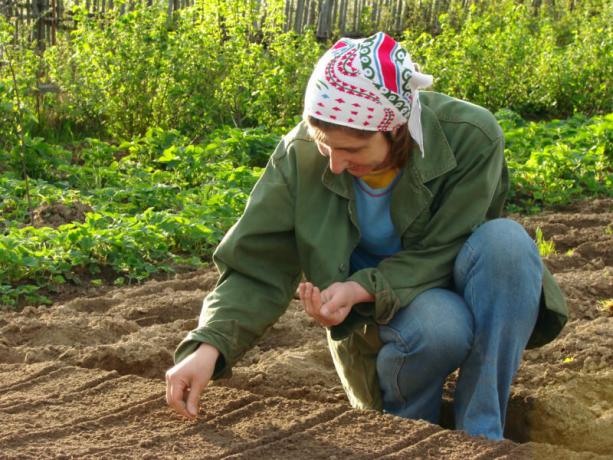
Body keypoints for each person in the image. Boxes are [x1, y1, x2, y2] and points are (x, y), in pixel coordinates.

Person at [165, 32, 567, 440]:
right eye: (326, 146)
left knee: (508, 245)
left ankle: (481, 435)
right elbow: (257, 264)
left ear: (395, 129)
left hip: (447, 279)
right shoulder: (299, 155)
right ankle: (408, 434)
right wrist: (208, 347)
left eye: (352, 150)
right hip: (387, 321)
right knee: (441, 323)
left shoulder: (470, 136)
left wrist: (360, 286)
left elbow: (448, 246)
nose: (336, 164)